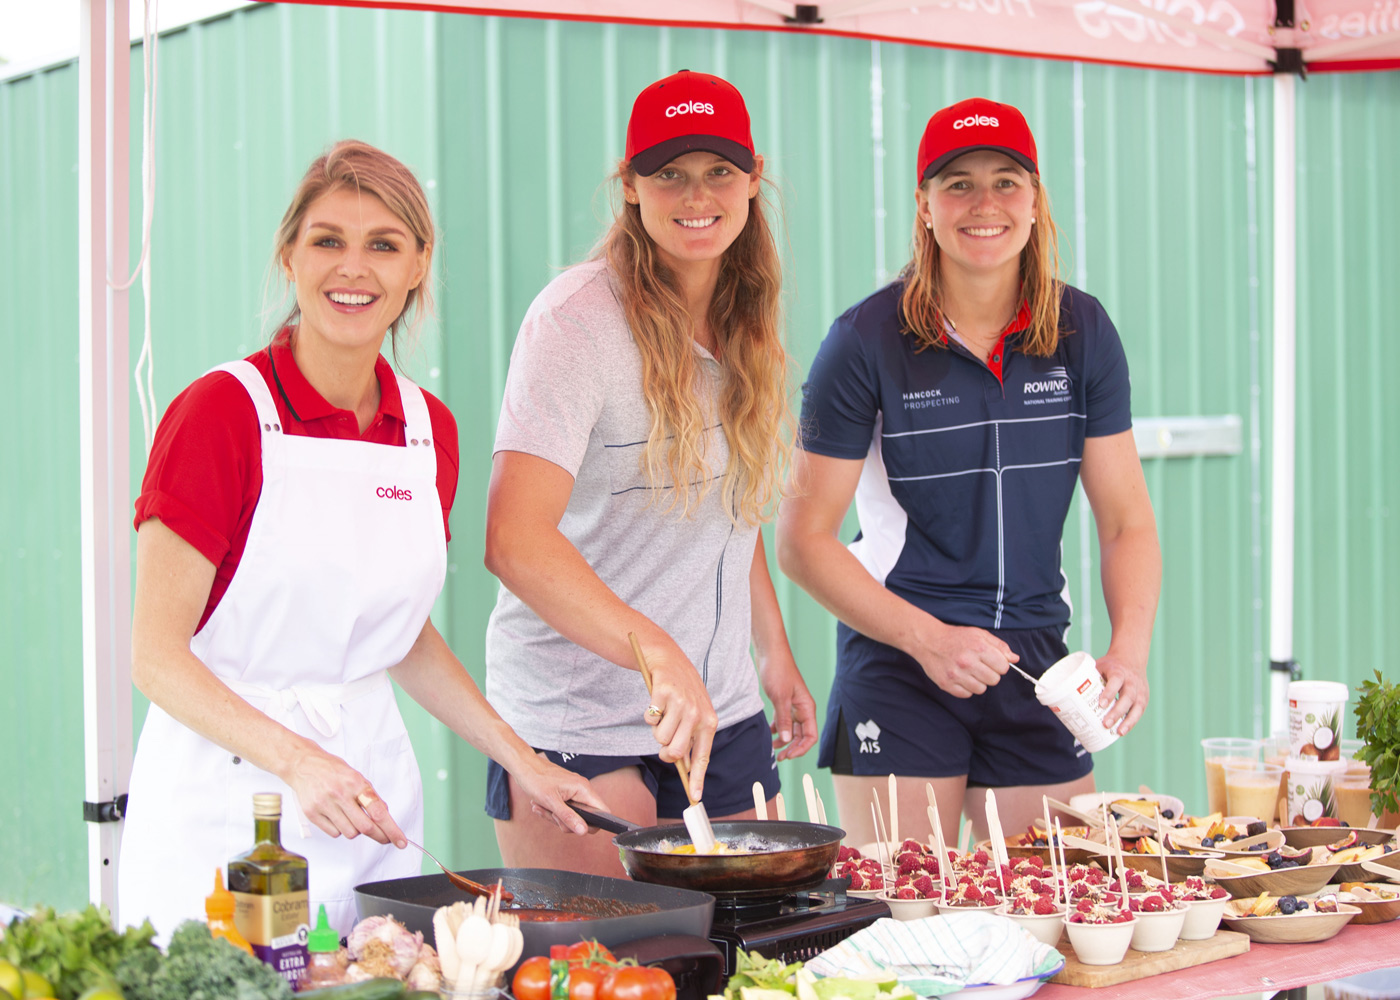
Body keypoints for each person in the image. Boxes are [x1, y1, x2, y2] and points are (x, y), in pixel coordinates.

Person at [119, 140, 605, 938]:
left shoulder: (427, 431)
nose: (355, 268)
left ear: (418, 265)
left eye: (383, 244)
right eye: (328, 241)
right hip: (228, 798)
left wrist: (523, 760)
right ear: (289, 257)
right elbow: (155, 655)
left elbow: (396, 634)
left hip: (369, 796)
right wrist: (299, 762)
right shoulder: (220, 412)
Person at [775, 98, 1161, 847]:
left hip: (1035, 663)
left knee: (1057, 914)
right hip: (900, 659)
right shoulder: (863, 341)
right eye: (958, 184)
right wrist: (927, 640)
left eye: (1006, 181)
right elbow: (802, 541)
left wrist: (1130, 654)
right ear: (924, 205)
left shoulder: (1083, 331)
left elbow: (1126, 521)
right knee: (910, 913)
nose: (985, 204)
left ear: (1036, 199)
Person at [482, 70, 817, 876]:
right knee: (616, 968)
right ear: (630, 186)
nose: (694, 193)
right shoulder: (574, 322)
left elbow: (732, 517)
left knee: (746, 966)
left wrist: (774, 654)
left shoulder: (748, 324)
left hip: (720, 712)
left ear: (752, 178)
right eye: (668, 172)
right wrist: (657, 652)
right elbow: (513, 541)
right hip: (580, 716)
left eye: (717, 171)